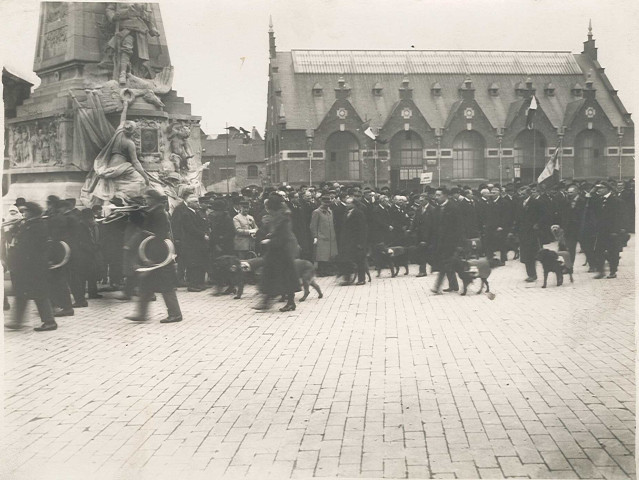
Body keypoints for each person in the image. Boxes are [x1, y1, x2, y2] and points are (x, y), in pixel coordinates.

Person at [127, 190, 183, 323]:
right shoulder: (154, 211)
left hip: (157, 255)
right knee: (146, 285)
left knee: (166, 286)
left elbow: (159, 236)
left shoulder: (158, 213)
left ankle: (175, 314)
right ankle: (141, 314)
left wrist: (150, 257)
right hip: (154, 253)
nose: (145, 200)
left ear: (153, 199)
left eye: (147, 198)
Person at [5, 202, 58, 332]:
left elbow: (30, 247)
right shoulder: (27, 224)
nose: (24, 214)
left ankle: (49, 321)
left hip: (34, 267)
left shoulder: (38, 226)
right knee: (21, 294)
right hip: (25, 266)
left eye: (26, 211)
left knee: (39, 294)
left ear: (32, 212)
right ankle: (17, 321)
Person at [254, 195, 301, 312]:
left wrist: (270, 241)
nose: (267, 209)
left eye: (268, 206)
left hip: (283, 250)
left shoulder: (283, 218)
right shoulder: (279, 215)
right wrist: (272, 236)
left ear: (272, 207)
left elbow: (283, 236)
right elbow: (277, 232)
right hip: (280, 249)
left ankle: (271, 301)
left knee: (280, 276)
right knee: (278, 275)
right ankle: (270, 300)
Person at [430, 187, 463, 294]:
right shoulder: (437, 209)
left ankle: (437, 286)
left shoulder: (454, 208)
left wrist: (459, 243)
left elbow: (459, 227)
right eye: (436, 195)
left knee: (444, 265)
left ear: (445, 196)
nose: (436, 197)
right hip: (440, 242)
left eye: (439, 195)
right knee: (448, 264)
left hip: (451, 242)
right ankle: (454, 285)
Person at [592, 181, 624, 279]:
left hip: (612, 232)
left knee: (613, 252)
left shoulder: (616, 201)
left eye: (601, 188)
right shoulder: (598, 201)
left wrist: (616, 231)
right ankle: (601, 271)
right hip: (601, 231)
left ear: (607, 189)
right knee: (598, 251)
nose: (599, 190)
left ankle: (613, 271)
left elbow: (620, 217)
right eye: (598, 188)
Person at [515, 185, 543, 282]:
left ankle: (533, 274)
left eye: (523, 194)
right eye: (520, 194)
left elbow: (543, 215)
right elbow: (518, 218)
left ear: (528, 194)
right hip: (523, 232)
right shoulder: (519, 203)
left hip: (533, 232)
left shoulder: (536, 203)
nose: (521, 195)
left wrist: (538, 224)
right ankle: (530, 274)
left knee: (532, 254)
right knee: (525, 254)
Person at [181, 195, 209, 291]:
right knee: (193, 264)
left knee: (199, 263)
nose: (198, 203)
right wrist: (203, 235)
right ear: (190, 204)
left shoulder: (196, 213)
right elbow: (191, 229)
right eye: (196, 202)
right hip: (191, 243)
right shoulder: (186, 214)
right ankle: (192, 285)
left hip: (198, 242)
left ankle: (198, 283)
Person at [339, 197, 368, 286]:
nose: (347, 205)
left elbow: (362, 229)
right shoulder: (345, 213)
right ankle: (347, 279)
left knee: (359, 261)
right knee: (346, 260)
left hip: (356, 241)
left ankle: (361, 279)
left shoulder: (359, 213)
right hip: (347, 241)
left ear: (353, 204)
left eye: (348, 203)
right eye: (346, 203)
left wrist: (361, 243)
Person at [310, 195, 338, 276]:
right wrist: (315, 236)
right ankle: (321, 271)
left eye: (328, 202)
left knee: (329, 255)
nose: (326, 204)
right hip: (321, 236)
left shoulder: (330, 211)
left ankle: (328, 270)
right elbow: (313, 225)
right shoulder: (316, 212)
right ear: (321, 202)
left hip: (330, 237)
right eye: (325, 202)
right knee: (322, 255)